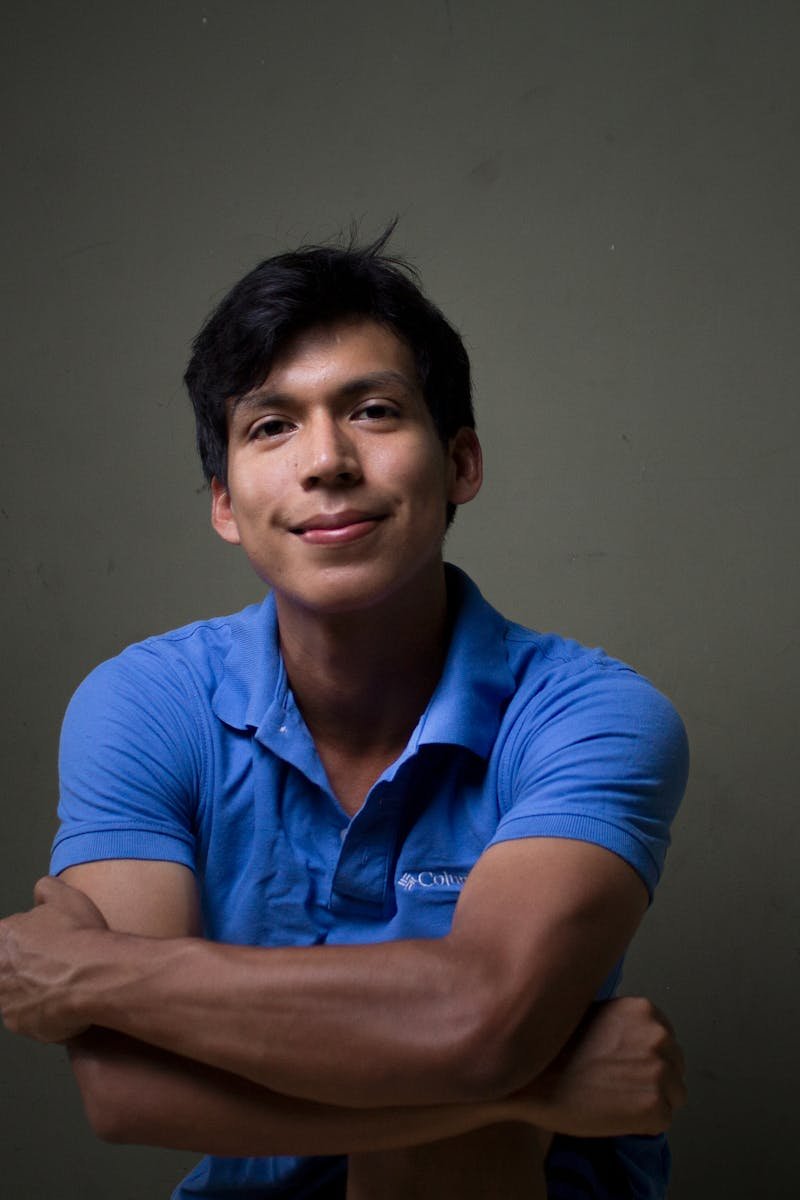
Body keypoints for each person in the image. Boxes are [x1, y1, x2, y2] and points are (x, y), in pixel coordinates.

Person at [0, 229, 689, 1199]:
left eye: (371, 411)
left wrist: (96, 976)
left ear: (459, 464)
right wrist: (533, 1089)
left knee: (451, 1142)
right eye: (270, 426)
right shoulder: (144, 702)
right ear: (225, 504)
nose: (325, 461)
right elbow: (127, 1090)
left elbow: (479, 1018)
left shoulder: (588, 712)